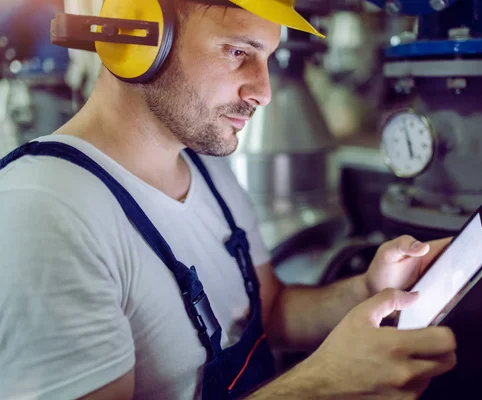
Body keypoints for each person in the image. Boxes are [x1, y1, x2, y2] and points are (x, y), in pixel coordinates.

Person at [0, 0, 457, 398]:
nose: (263, 91)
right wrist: (320, 385)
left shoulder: (207, 167)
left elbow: (270, 309)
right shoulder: (46, 212)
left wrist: (368, 291)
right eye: (239, 52)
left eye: (268, 59)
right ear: (137, 39)